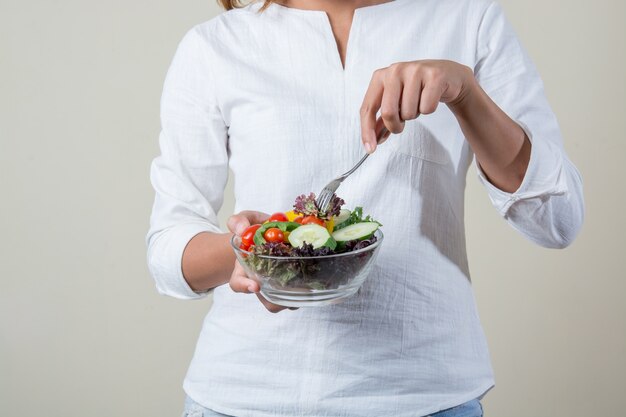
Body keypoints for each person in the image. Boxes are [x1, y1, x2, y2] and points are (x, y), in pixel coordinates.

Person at [146, 0, 584, 415]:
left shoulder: (466, 19)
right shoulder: (214, 46)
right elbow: (167, 251)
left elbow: (557, 220)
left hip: (425, 396)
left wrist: (466, 95)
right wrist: (253, 253)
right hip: (243, 396)